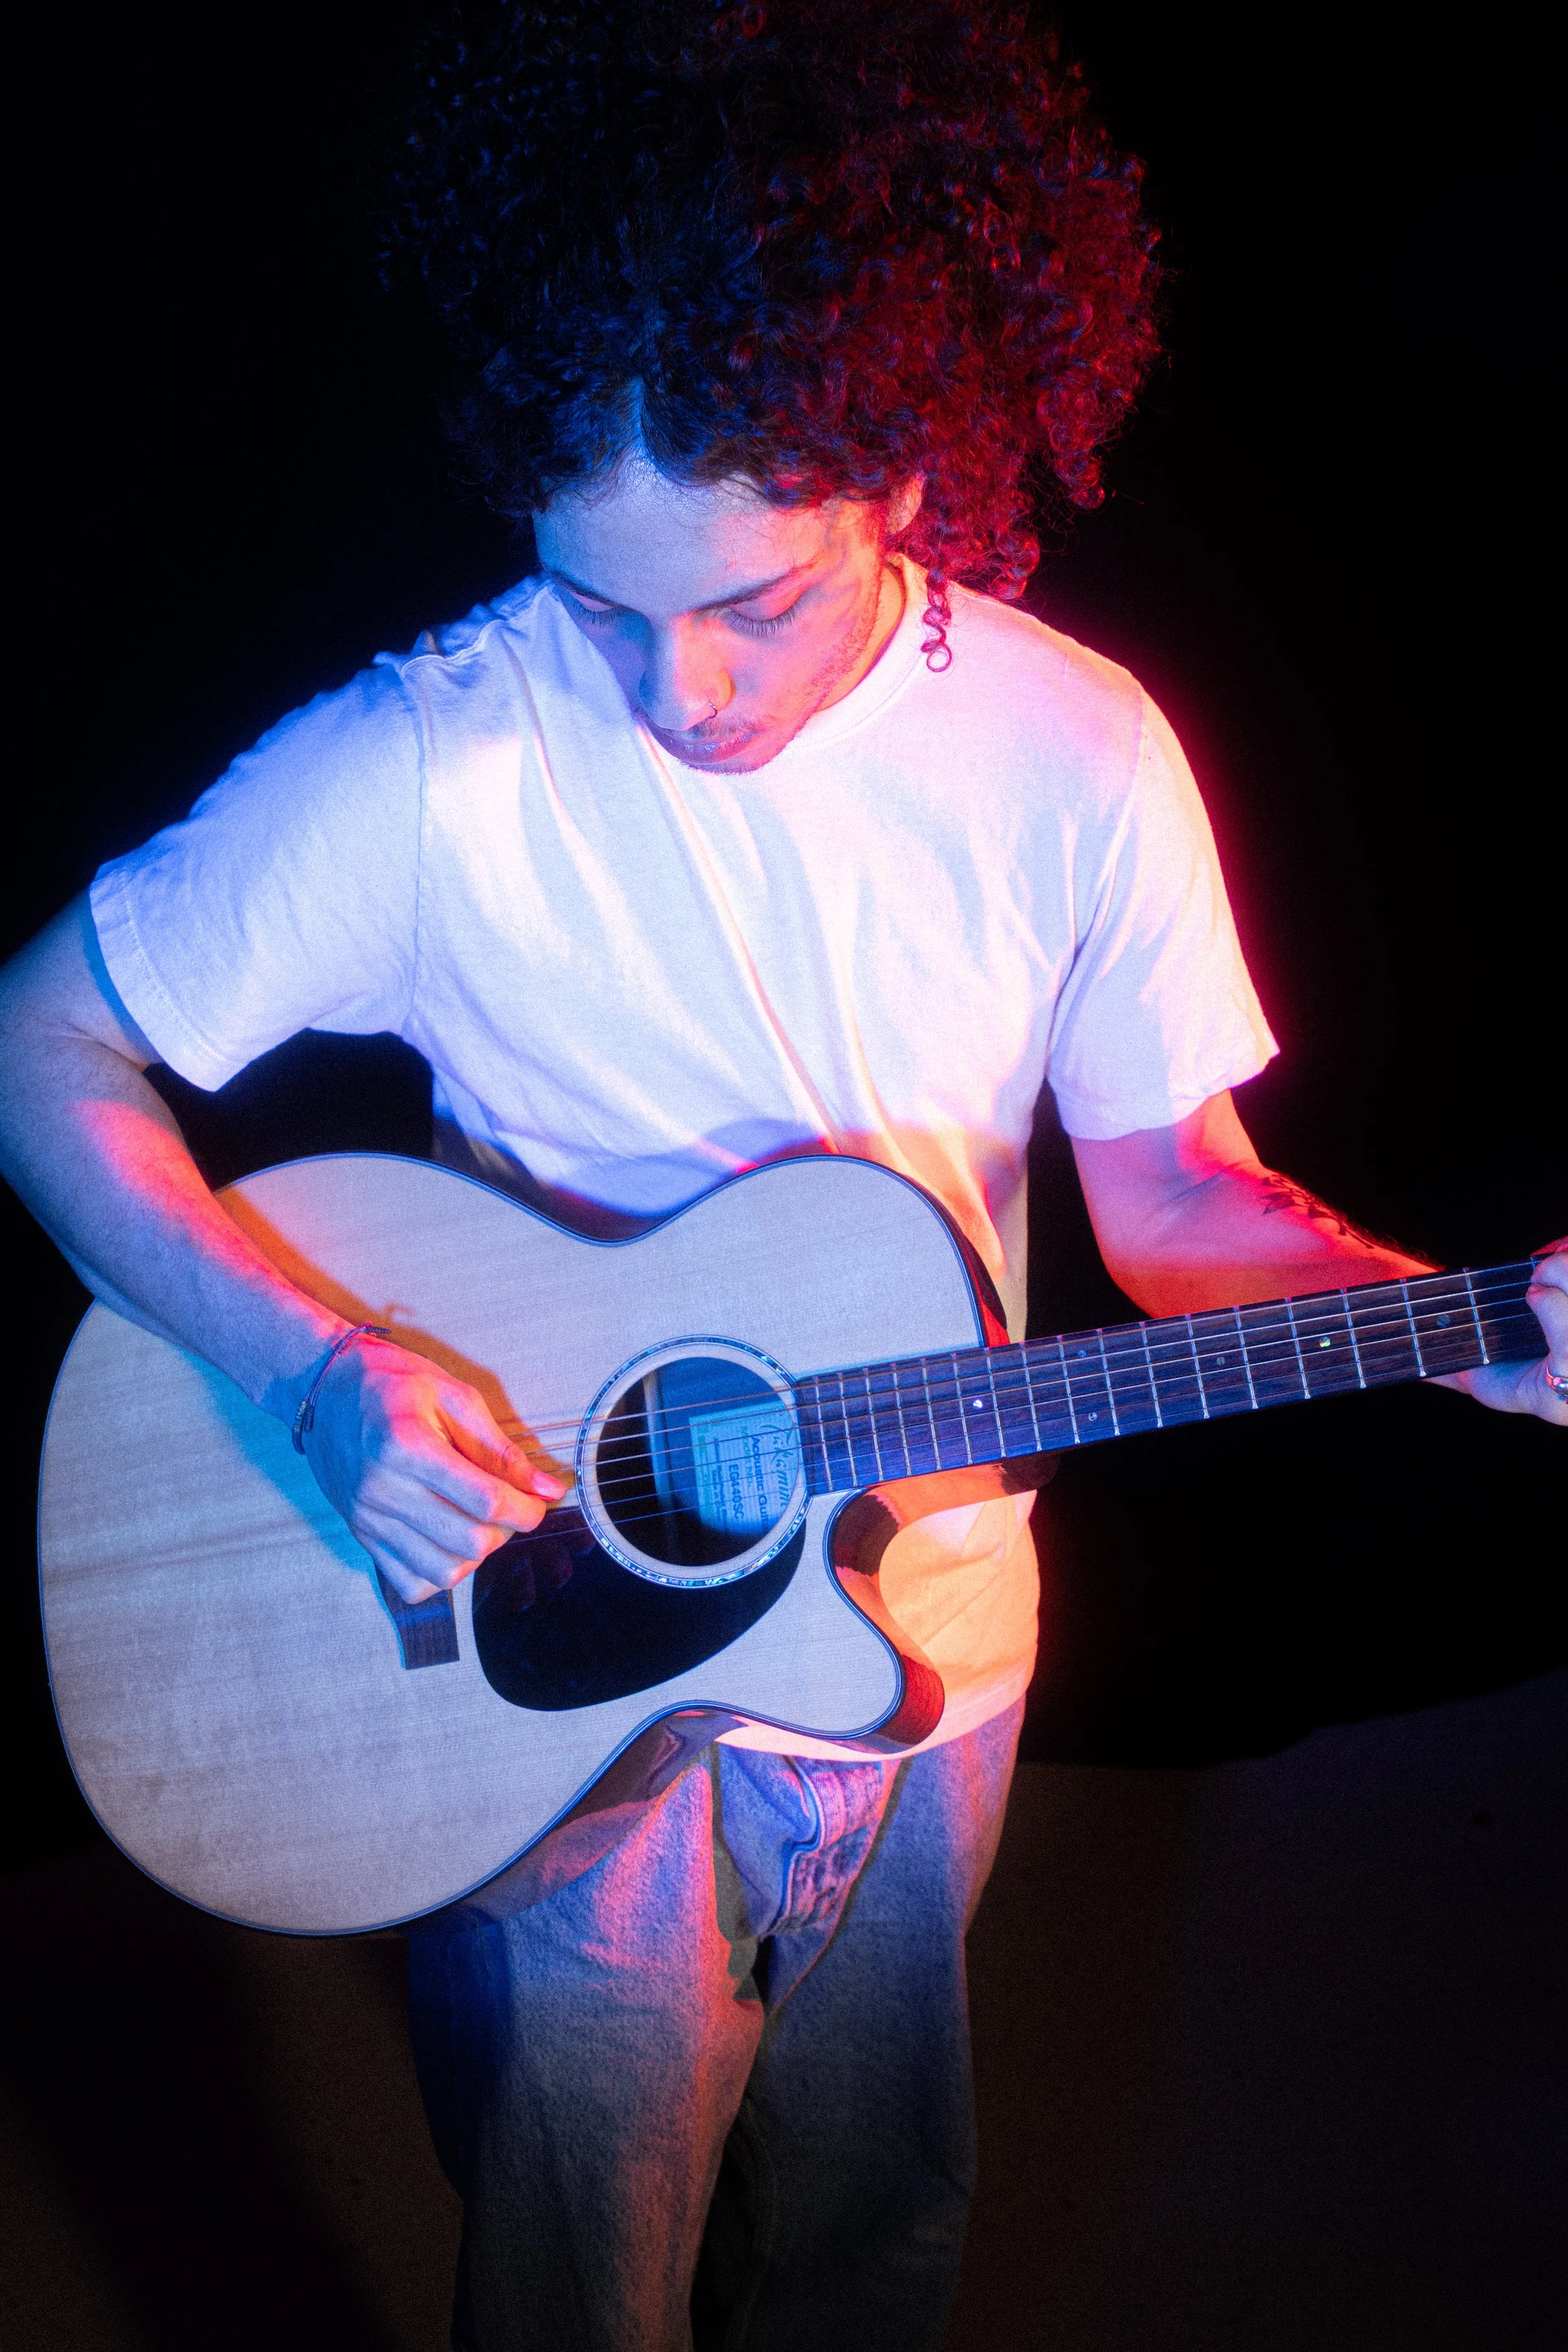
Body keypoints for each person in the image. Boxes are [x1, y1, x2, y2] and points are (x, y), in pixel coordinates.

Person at [1, 4, 1562, 2347]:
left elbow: (1174, 1202)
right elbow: (40, 1043)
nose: (677, 694)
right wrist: (314, 1364)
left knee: (872, 2218)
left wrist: (1465, 1322)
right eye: (602, 603)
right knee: (576, 2264)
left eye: (751, 602)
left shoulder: (1076, 755)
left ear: (907, 481)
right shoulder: (430, 761)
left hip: (931, 1623)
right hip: (532, 1632)